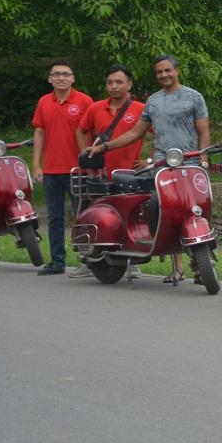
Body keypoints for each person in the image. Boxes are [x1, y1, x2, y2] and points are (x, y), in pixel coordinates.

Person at [86, 55, 210, 283]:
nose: (164, 75)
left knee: (198, 209)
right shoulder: (153, 101)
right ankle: (177, 267)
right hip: (163, 166)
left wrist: (203, 158)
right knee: (165, 211)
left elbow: (204, 132)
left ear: (177, 71)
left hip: (190, 163)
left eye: (167, 70)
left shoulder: (194, 97)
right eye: (159, 72)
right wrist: (104, 146)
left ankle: (203, 262)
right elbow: (135, 133)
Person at [71, 64, 147, 279]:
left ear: (129, 84)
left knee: (132, 218)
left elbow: (156, 132)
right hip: (100, 175)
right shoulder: (95, 108)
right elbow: (81, 130)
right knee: (95, 217)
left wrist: (148, 158)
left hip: (130, 174)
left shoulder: (140, 108)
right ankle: (89, 260)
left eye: (119, 82)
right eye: (110, 82)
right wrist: (86, 156)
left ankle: (134, 263)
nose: (114, 87)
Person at [31, 59, 93, 275]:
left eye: (66, 74)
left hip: (78, 170)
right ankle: (58, 262)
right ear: (50, 79)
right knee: (54, 217)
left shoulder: (85, 101)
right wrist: (36, 164)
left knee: (83, 215)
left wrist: (91, 165)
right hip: (51, 170)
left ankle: (87, 260)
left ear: (73, 78)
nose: (61, 77)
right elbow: (39, 132)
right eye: (56, 74)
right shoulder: (44, 102)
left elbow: (92, 134)